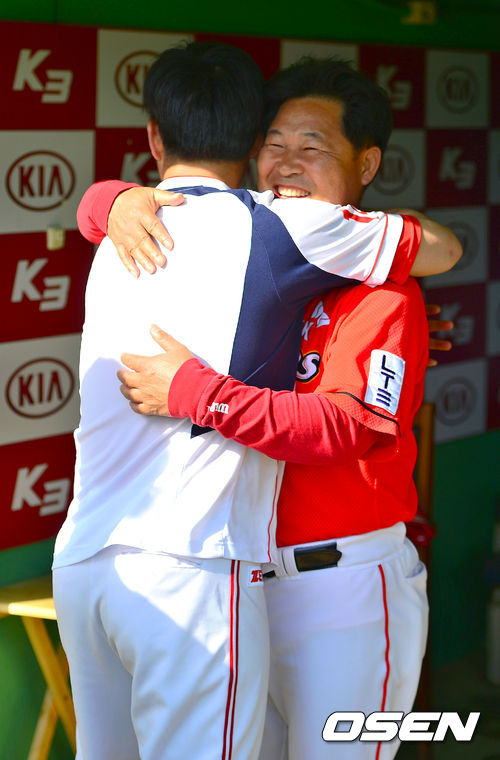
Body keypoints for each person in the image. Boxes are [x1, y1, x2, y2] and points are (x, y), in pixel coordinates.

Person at [54, 46, 460, 760]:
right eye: (274, 143)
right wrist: (110, 200)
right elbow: (148, 208)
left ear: (365, 165)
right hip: (246, 577)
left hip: (346, 587)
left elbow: (349, 426)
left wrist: (196, 393)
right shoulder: (256, 239)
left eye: (313, 146)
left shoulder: (381, 286)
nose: (288, 164)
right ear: (248, 147)